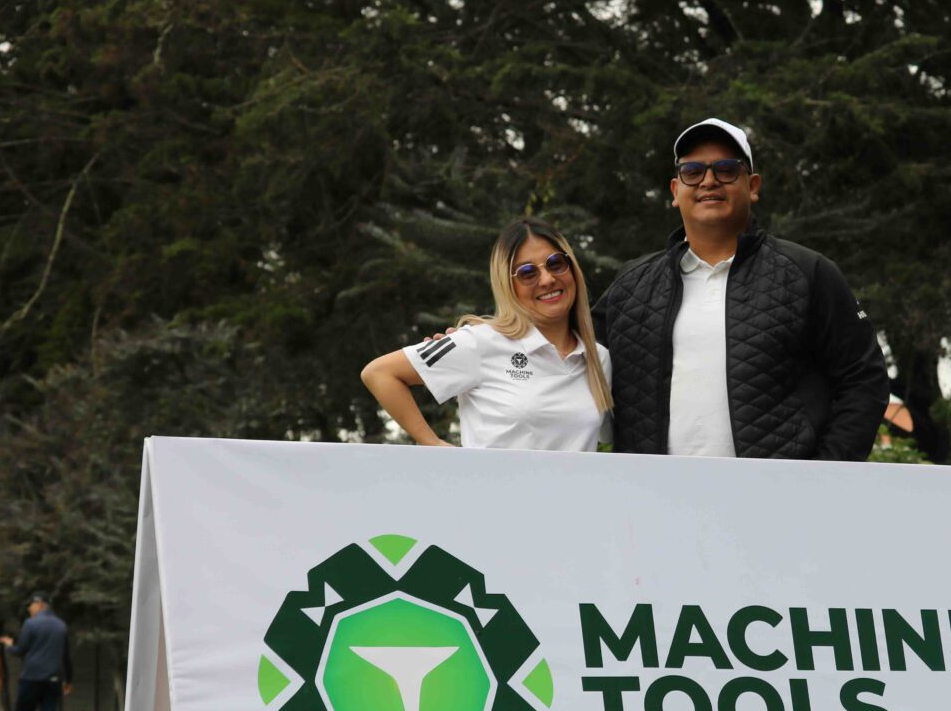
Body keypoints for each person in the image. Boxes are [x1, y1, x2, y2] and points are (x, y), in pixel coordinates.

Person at [592, 117, 889, 460]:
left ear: (753, 186)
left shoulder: (809, 273)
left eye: (726, 169)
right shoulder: (630, 286)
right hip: (653, 490)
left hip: (776, 490)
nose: (708, 181)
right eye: (693, 171)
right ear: (675, 191)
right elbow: (571, 365)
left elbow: (864, 379)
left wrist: (823, 473)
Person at [361, 217, 612, 451]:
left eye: (555, 263)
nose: (547, 279)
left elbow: (612, 438)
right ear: (507, 284)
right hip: (489, 487)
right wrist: (434, 445)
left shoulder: (598, 359)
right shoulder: (478, 341)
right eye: (527, 272)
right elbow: (379, 373)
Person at [0, 592, 72, 711]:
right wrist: (68, 680)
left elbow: (20, 650)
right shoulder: (61, 625)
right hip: (53, 678)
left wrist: (9, 645)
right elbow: (66, 656)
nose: (29, 608)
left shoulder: (31, 624)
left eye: (31, 605)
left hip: (31, 677)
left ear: (40, 604)